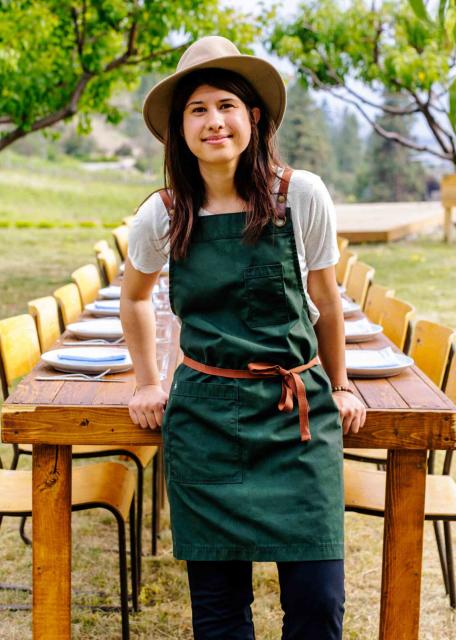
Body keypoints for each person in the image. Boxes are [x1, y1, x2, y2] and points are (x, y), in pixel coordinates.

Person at [122, 36, 365, 639]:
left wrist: (341, 384)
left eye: (225, 105)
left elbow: (328, 303)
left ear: (252, 117)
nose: (214, 122)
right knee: (220, 615)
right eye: (197, 109)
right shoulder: (164, 212)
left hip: (296, 419)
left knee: (318, 607)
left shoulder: (298, 194)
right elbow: (132, 297)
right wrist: (149, 383)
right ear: (180, 128)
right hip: (204, 421)